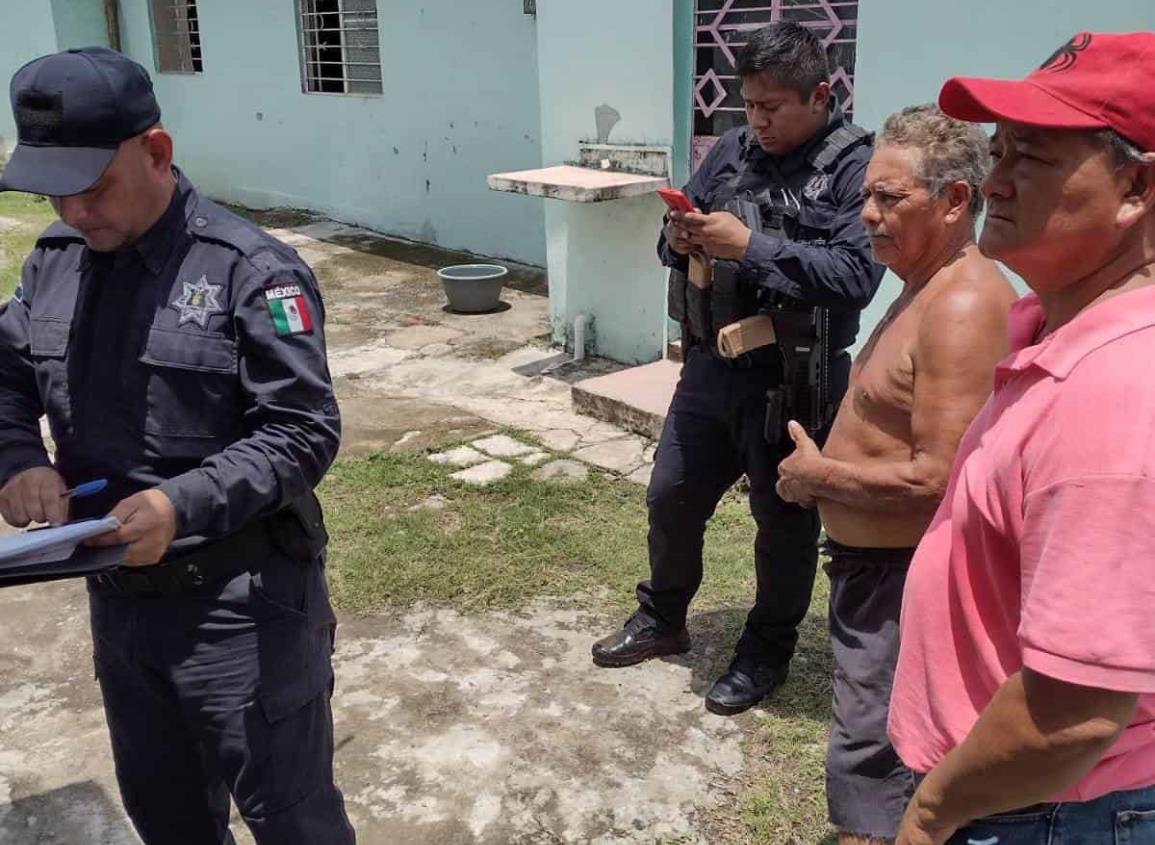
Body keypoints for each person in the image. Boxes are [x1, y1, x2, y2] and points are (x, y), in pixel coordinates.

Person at [0, 48, 355, 844]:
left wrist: (178, 501)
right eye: (54, 193)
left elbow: (302, 428)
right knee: (165, 814)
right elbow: (5, 373)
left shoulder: (251, 271)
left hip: (241, 603)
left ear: (155, 152)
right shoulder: (54, 265)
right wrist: (18, 456)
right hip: (120, 606)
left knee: (292, 819)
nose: (73, 213)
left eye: (93, 188)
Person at [885, 32, 1155, 845]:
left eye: (1028, 158)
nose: (991, 180)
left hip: (1041, 811)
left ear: (1136, 186)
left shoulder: (1111, 393)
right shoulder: (1054, 332)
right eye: (996, 150)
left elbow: (1071, 714)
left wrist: (933, 811)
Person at [591, 22, 884, 716]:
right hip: (710, 370)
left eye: (771, 106)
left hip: (795, 379)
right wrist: (679, 234)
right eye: (747, 105)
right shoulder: (731, 149)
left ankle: (765, 648)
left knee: (781, 525)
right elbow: (678, 236)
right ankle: (662, 617)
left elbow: (854, 276)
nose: (757, 120)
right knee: (670, 497)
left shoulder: (855, 167)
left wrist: (750, 246)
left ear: (820, 94)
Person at [776, 104, 1017, 843]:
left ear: (953, 202)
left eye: (889, 198)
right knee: (872, 749)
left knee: (876, 760)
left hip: (901, 577)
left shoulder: (963, 303)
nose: (868, 215)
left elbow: (941, 478)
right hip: (874, 568)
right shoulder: (921, 283)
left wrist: (817, 477)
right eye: (866, 196)